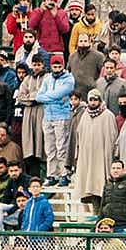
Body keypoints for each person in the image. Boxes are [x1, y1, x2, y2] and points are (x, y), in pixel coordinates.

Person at [75, 89, 119, 212]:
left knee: (102, 186)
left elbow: (112, 138)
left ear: (100, 100)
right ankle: (96, 212)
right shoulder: (85, 115)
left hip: (102, 157)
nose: (93, 102)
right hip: (88, 158)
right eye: (91, 100)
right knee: (90, 187)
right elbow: (79, 136)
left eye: (95, 99)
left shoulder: (108, 115)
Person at [36, 52, 76, 186]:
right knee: (49, 148)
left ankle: (64, 174)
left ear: (63, 66)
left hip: (62, 116)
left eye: (59, 66)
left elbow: (61, 93)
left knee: (61, 146)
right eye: (55, 66)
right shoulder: (47, 79)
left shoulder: (69, 79)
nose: (57, 69)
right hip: (48, 116)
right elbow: (39, 97)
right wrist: (55, 99)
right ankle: (52, 174)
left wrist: (50, 98)